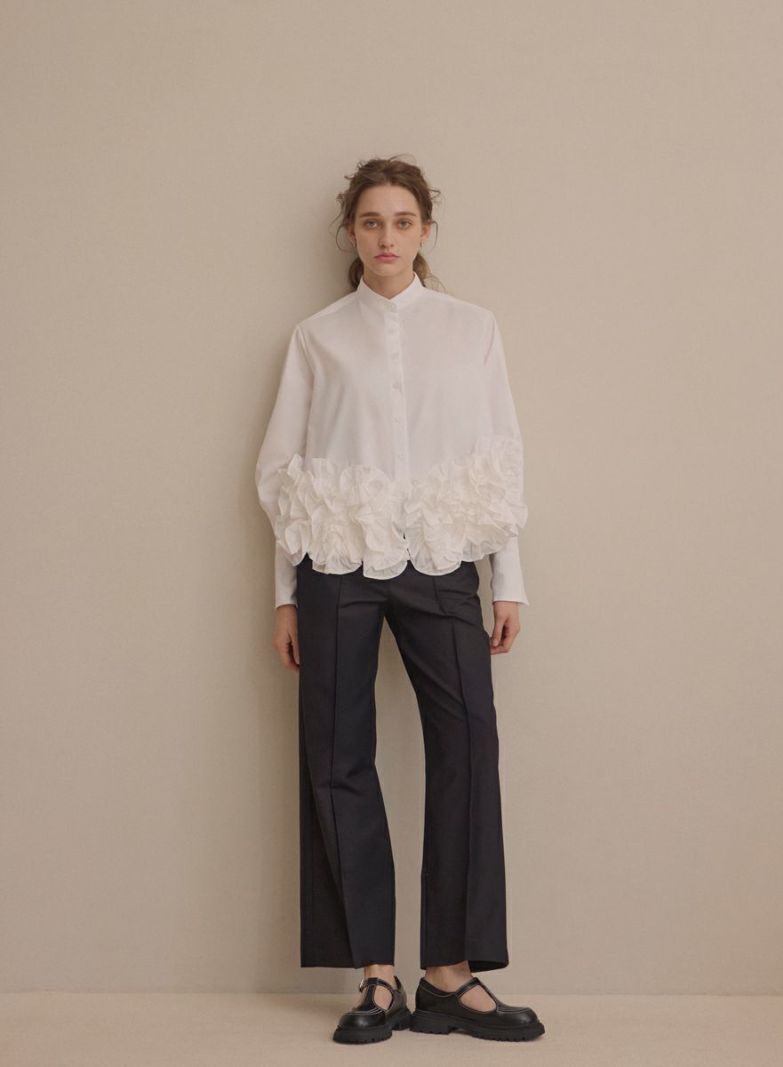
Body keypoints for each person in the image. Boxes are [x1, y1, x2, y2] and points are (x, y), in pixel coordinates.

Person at [255, 156, 545, 1044]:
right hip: (336, 562)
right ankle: (375, 976)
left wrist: (508, 577)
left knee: (469, 741)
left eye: (403, 221)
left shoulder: (472, 329)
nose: (387, 237)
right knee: (336, 754)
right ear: (352, 231)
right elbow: (283, 471)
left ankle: (449, 975)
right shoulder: (318, 336)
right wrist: (284, 592)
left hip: (443, 557)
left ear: (425, 230)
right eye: (372, 221)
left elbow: (500, 456)